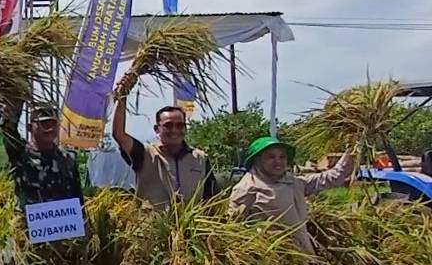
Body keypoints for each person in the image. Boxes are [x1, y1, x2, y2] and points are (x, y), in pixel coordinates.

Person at [228, 137, 354, 253]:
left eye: (282, 157)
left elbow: (333, 177)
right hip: (274, 258)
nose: (278, 161)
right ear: (257, 160)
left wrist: (352, 150)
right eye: (271, 157)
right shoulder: (247, 188)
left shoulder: (294, 183)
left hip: (303, 251)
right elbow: (234, 226)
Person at [111, 73, 217, 208]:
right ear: (157, 128)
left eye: (180, 125)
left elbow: (211, 199)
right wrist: (122, 96)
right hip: (153, 227)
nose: (174, 130)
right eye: (168, 125)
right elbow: (118, 134)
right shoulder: (145, 154)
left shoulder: (200, 159)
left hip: (191, 227)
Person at [3, 104, 83, 208]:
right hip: (28, 221)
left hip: (61, 221)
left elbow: (77, 199)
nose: (50, 129)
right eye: (44, 124)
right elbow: (8, 128)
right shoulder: (20, 154)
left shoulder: (67, 159)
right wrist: (16, 99)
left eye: (53, 124)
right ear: (30, 127)